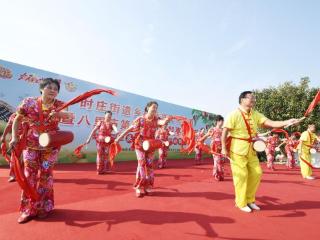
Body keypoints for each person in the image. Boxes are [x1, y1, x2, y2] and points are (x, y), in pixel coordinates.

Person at [221, 91, 299, 213]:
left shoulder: (255, 114)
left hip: (251, 149)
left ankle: (250, 200)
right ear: (242, 99)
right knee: (241, 176)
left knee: (257, 173)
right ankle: (241, 202)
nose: (253, 100)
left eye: (254, 98)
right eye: (251, 97)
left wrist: (287, 122)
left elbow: (271, 123)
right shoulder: (233, 114)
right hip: (237, 149)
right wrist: (223, 148)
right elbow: (225, 132)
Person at [9, 78, 72, 223]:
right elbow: (17, 120)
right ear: (41, 89)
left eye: (55, 89)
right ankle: (28, 209)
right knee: (29, 176)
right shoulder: (29, 102)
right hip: (30, 146)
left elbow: (69, 115)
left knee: (46, 176)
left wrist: (60, 114)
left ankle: (44, 207)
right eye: (49, 87)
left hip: (50, 147)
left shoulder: (60, 105)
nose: (52, 91)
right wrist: (14, 138)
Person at [115, 101, 169, 197]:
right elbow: (129, 129)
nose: (155, 109)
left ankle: (148, 186)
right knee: (141, 164)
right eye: (153, 107)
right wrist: (118, 139)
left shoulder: (156, 120)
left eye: (156, 108)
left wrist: (167, 120)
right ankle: (139, 187)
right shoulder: (140, 119)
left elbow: (162, 122)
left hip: (150, 145)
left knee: (149, 165)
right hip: (139, 145)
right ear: (148, 108)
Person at [200, 115, 225, 181]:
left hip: (221, 147)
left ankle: (220, 174)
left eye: (223, 121)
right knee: (217, 160)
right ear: (217, 121)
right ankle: (217, 174)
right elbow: (206, 135)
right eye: (221, 121)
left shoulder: (223, 130)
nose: (222, 122)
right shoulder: (212, 129)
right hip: (215, 147)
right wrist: (201, 140)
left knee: (221, 161)